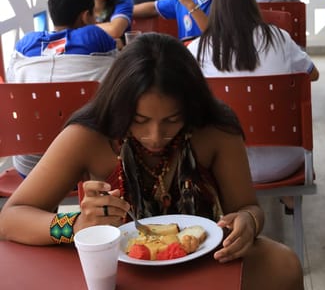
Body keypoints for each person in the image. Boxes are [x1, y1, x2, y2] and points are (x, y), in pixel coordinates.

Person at [0, 33, 304, 290]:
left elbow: (248, 208)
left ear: (191, 107)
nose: (155, 136)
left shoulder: (215, 131)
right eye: (139, 120)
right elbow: (10, 218)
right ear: (120, 108)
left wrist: (248, 223)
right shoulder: (89, 135)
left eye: (172, 120)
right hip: (117, 271)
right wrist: (75, 225)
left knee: (285, 265)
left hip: (203, 262)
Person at [188, 0, 318, 214]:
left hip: (223, 167)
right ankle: (288, 197)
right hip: (285, 163)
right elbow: (312, 74)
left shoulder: (197, 48)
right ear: (253, 8)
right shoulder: (281, 38)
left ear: (214, 12)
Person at [6, 0, 118, 178]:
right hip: (86, 163)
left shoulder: (24, 46)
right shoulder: (96, 38)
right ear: (85, 16)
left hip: (31, 165)